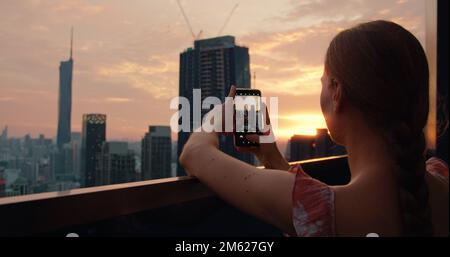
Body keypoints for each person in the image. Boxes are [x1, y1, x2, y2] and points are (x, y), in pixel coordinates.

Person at [179, 20, 449, 237]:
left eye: (323, 82)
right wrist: (270, 157)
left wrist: (216, 115)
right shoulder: (440, 177)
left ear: (337, 92)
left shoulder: (328, 213)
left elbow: (194, 153)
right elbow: (308, 209)